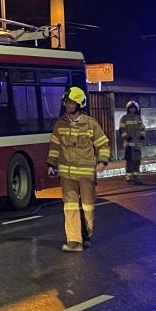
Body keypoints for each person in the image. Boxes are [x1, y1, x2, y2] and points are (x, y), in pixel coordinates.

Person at [46, 86, 111, 252]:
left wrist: (102, 161)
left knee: (88, 207)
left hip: (86, 175)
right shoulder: (60, 124)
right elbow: (54, 146)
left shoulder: (90, 124)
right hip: (67, 175)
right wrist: (51, 164)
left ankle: (86, 233)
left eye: (72, 103)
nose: (68, 106)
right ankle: (74, 240)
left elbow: (103, 144)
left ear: (79, 104)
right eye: (67, 103)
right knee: (70, 207)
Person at [119, 100, 146, 184]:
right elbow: (121, 130)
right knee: (130, 160)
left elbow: (142, 128)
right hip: (129, 144)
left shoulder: (139, 118)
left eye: (134, 108)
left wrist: (142, 135)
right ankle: (129, 177)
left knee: (137, 160)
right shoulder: (124, 118)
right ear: (128, 109)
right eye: (131, 108)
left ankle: (136, 175)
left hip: (137, 144)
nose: (132, 110)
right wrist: (127, 137)